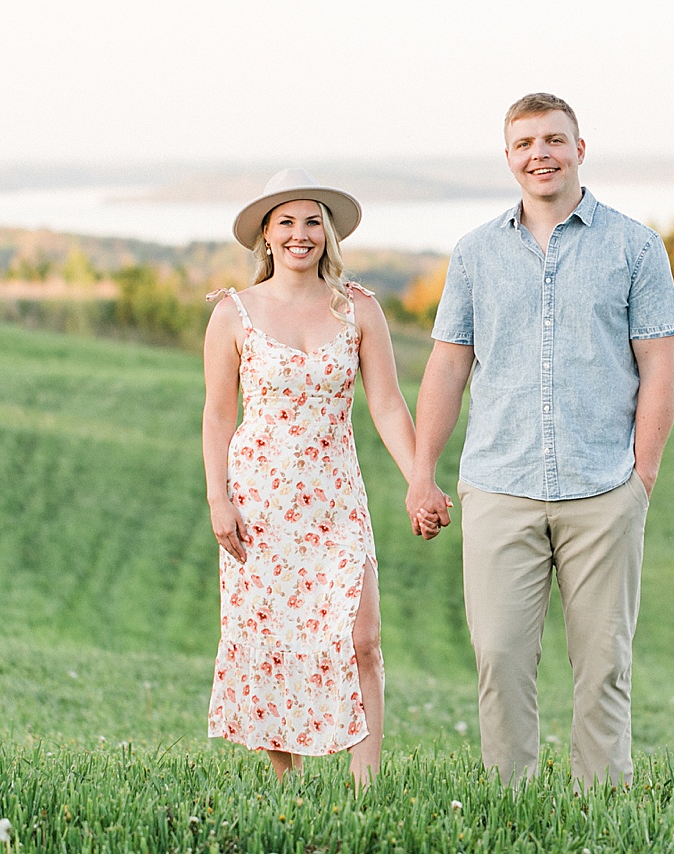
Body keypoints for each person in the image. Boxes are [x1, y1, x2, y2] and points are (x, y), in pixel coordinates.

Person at [405, 93, 674, 791]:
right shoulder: (474, 253)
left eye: (554, 140)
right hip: (499, 484)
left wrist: (639, 479)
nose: (541, 154)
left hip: (603, 489)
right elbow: (447, 366)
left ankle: (603, 805)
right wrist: (421, 472)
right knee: (498, 658)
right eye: (525, 143)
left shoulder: (635, 246)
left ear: (580, 149)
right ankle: (512, 804)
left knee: (604, 664)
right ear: (509, 159)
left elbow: (659, 368)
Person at [203, 168, 436, 790]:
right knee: (275, 644)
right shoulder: (233, 314)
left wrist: (422, 480)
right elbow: (219, 413)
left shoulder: (358, 308)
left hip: (335, 500)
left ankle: (366, 787)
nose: (301, 234)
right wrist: (217, 498)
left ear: (327, 234)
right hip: (260, 502)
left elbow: (387, 404)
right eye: (287, 222)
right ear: (267, 237)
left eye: (313, 222)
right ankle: (288, 786)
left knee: (362, 639)